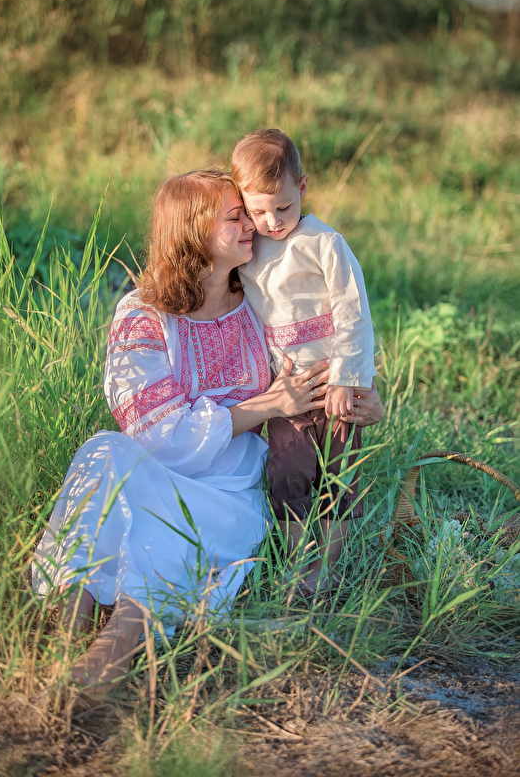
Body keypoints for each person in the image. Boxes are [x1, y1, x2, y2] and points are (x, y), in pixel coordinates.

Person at [32, 169, 337, 692]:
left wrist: (354, 391)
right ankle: (63, 642)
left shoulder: (261, 305)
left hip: (229, 487)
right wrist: (266, 405)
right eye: (236, 217)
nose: (252, 225)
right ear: (194, 231)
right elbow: (156, 434)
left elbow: (317, 364)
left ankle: (108, 658)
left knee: (164, 534)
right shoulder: (143, 314)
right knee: (102, 453)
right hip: (153, 467)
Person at [232, 129, 384, 594]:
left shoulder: (324, 242)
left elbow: (353, 311)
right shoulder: (248, 250)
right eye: (258, 211)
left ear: (302, 188)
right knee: (289, 471)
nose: (272, 221)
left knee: (340, 474)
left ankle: (328, 565)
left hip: (334, 385)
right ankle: (299, 561)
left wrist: (349, 379)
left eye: (283, 207)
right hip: (286, 390)